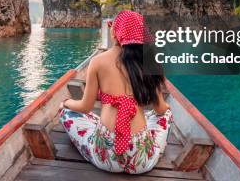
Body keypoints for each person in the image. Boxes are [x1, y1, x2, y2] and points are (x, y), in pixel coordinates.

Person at [59, 10, 173, 174]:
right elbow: (161, 109)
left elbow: (85, 107)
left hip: (105, 155)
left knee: (66, 114)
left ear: (116, 32)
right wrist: (166, 109)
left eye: (113, 26)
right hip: (140, 161)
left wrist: (66, 103)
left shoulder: (97, 62)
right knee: (166, 115)